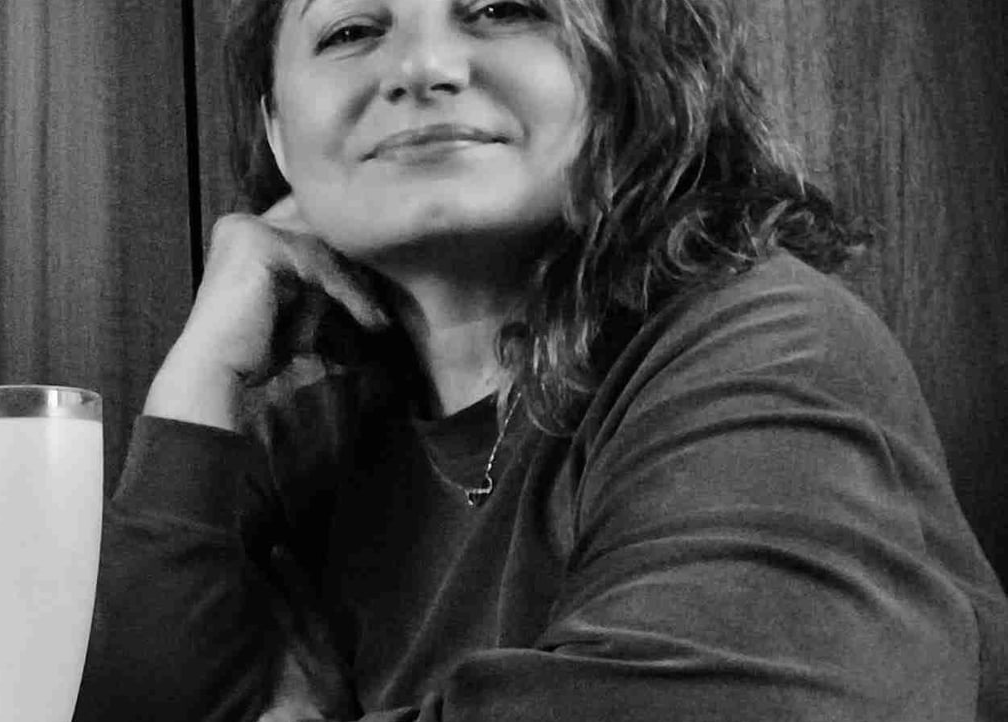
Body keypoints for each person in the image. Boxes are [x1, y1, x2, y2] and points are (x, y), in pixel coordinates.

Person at [75, 0, 1008, 719]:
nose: (424, 67)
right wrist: (197, 381)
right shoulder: (307, 445)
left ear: (625, 76)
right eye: (352, 29)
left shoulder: (768, 346)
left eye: (501, 9)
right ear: (280, 130)